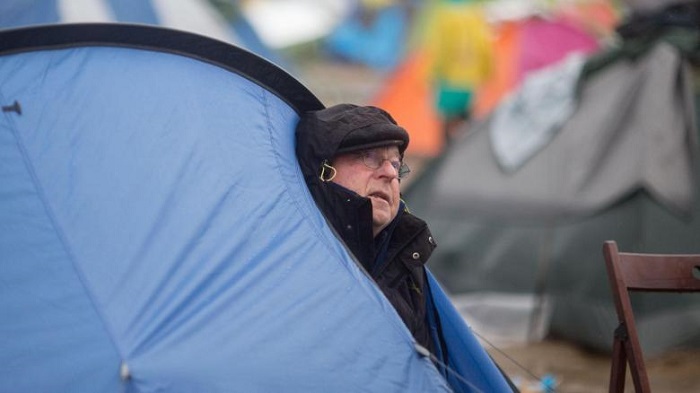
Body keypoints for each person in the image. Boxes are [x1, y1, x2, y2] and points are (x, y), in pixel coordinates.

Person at [295, 103, 444, 357]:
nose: (389, 174)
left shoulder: (407, 262)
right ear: (324, 172)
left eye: (396, 165)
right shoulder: (295, 262)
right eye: (370, 158)